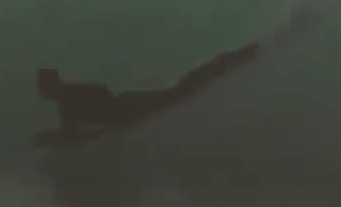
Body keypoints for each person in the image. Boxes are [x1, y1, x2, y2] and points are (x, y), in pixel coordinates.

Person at [36, 41, 261, 139]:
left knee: (180, 93)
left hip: (127, 107)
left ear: (50, 87)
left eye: (43, 88)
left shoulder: (67, 100)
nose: (41, 93)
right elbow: (100, 94)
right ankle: (228, 59)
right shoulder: (67, 99)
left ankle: (229, 59)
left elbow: (74, 128)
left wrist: (108, 120)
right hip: (124, 104)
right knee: (179, 90)